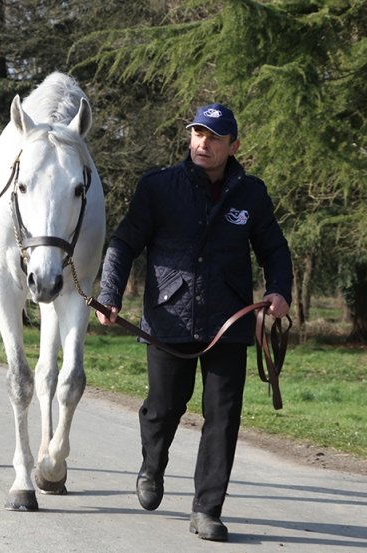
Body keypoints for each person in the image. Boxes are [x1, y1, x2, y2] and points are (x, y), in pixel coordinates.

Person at [96, 103, 292, 541]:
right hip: (168, 316)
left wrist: (279, 290)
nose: (203, 143)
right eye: (198, 134)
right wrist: (109, 294)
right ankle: (152, 465)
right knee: (164, 406)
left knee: (223, 416)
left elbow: (274, 249)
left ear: (233, 146)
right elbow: (124, 243)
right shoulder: (158, 187)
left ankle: (207, 509)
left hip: (229, 320)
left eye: (214, 137)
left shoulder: (251, 194)